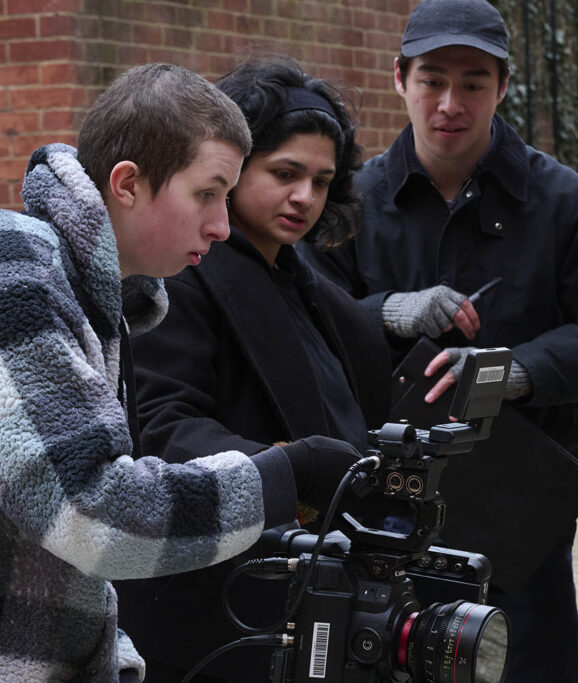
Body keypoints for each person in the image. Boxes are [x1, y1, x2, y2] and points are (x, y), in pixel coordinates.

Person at [0, 63, 366, 683]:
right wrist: (283, 472)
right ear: (127, 183)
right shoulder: (20, 272)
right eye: (208, 193)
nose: (222, 225)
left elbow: (49, 552)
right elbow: (94, 514)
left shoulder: (90, 295)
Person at [299, 1, 578, 679]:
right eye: (432, 79)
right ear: (399, 78)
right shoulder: (347, 204)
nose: (451, 102)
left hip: (519, 519)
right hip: (377, 511)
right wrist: (387, 311)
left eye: (474, 82)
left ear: (503, 86)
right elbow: (303, 328)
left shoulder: (569, 206)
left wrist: (517, 371)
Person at [112, 59, 392, 683]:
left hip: (309, 595)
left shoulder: (304, 280)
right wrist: (288, 469)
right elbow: (160, 428)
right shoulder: (176, 275)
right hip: (219, 613)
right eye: (285, 173)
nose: (305, 197)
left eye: (322, 181)